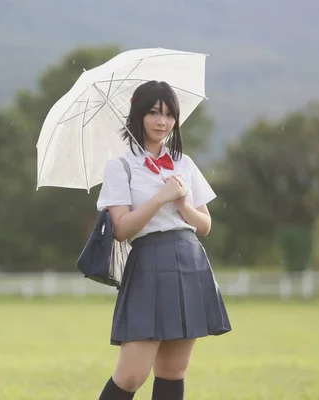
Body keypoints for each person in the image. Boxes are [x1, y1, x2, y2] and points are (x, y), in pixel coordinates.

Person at [95, 81, 232, 400]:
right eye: (154, 112)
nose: (162, 121)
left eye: (169, 114)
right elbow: (121, 229)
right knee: (130, 375)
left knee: (173, 372)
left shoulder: (184, 163)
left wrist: (183, 205)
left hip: (189, 264)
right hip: (148, 264)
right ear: (138, 115)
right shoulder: (121, 166)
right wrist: (160, 199)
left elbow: (205, 225)